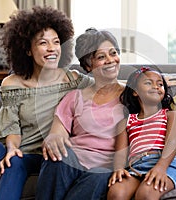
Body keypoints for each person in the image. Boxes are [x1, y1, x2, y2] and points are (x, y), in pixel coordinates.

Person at [0, 6, 93, 200]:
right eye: (43, 43)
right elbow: (11, 126)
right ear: (27, 49)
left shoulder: (73, 80)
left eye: (56, 42)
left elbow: (111, 88)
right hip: (19, 149)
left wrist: (145, 83)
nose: (52, 48)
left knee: (17, 161)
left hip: (49, 154)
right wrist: (12, 149)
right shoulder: (13, 83)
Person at [36, 28, 125, 199]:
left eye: (113, 53)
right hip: (72, 162)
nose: (110, 61)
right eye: (101, 57)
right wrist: (53, 138)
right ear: (87, 66)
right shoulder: (74, 97)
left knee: (99, 175)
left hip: (106, 167)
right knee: (58, 155)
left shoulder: (133, 96)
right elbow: (57, 132)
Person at [107, 67, 176, 200]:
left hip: (166, 164)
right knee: (117, 193)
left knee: (146, 194)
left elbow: (172, 143)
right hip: (135, 166)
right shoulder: (125, 122)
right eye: (148, 83)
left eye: (160, 84)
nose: (156, 86)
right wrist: (119, 169)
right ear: (135, 92)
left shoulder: (171, 115)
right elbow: (120, 152)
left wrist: (160, 167)